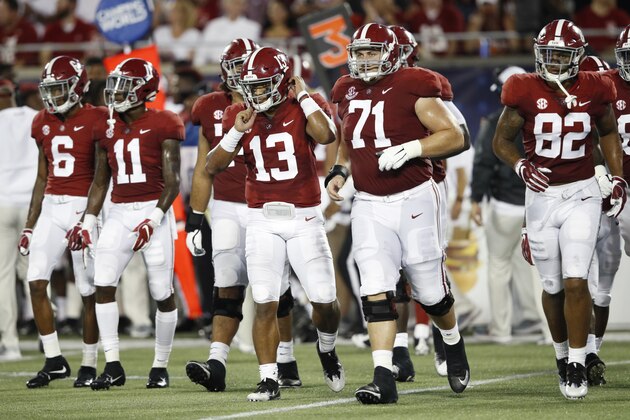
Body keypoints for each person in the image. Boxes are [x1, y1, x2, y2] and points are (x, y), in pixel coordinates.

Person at [328, 23, 469, 405]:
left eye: (373, 51)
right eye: (360, 52)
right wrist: (340, 171)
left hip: (414, 197)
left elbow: (455, 135)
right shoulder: (346, 89)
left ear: (390, 52)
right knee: (374, 288)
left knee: (429, 290)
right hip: (370, 202)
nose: (365, 59)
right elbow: (347, 138)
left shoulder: (415, 83)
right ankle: (382, 375)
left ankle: (452, 342)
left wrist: (412, 149)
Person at [493, 19, 625, 400]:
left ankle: (579, 362)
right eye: (546, 54)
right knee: (551, 286)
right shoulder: (523, 87)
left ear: (578, 57)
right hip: (541, 197)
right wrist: (520, 165)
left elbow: (608, 132)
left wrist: (616, 177)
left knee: (575, 280)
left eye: (560, 55)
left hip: (582, 193)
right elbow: (502, 140)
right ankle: (562, 355)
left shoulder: (598, 86)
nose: (551, 62)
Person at [206, 46, 344, 402]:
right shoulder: (240, 113)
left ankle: (326, 348)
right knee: (265, 299)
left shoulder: (304, 104)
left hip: (304, 217)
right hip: (261, 218)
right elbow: (213, 165)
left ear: (283, 83)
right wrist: (236, 133)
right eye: (253, 86)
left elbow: (327, 135)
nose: (257, 93)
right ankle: (269, 378)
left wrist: (304, 98)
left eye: (265, 85)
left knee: (325, 301)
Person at [184, 38, 303, 391]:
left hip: (266, 205)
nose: (239, 72)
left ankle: (286, 358)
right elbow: (204, 170)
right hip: (225, 207)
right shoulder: (208, 107)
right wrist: (194, 216)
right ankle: (216, 364)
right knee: (227, 284)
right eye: (234, 64)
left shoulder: (279, 103)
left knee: (275, 290)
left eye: (245, 64)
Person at [71, 58, 184, 390]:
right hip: (119, 212)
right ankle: (113, 364)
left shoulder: (165, 122)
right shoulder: (107, 126)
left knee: (162, 291)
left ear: (144, 90)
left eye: (125, 86)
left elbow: (173, 182)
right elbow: (100, 180)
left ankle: (160, 366)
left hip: (154, 210)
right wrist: (89, 220)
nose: (116, 93)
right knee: (103, 283)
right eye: (115, 86)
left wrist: (155, 218)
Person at [20, 56, 105, 388]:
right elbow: (41, 178)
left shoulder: (97, 119)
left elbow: (102, 175)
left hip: (82, 206)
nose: (53, 97)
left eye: (60, 88)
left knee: (88, 290)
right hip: (52, 208)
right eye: (50, 90)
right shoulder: (41, 121)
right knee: (36, 280)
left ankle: (88, 363)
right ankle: (54, 359)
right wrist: (30, 224)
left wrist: (90, 217)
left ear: (78, 87)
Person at [470, 65, 542, 344]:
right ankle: (532, 320)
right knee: (528, 266)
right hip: (535, 204)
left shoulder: (496, 121)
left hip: (505, 206)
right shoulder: (543, 115)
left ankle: (501, 329)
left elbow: (484, 163)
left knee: (500, 266)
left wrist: (476, 200)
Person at [0, 78, 37, 362]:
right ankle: (46, 331)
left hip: (3, 203)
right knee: (33, 272)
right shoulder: (34, 117)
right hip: (32, 204)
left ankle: (10, 342)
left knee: (4, 276)